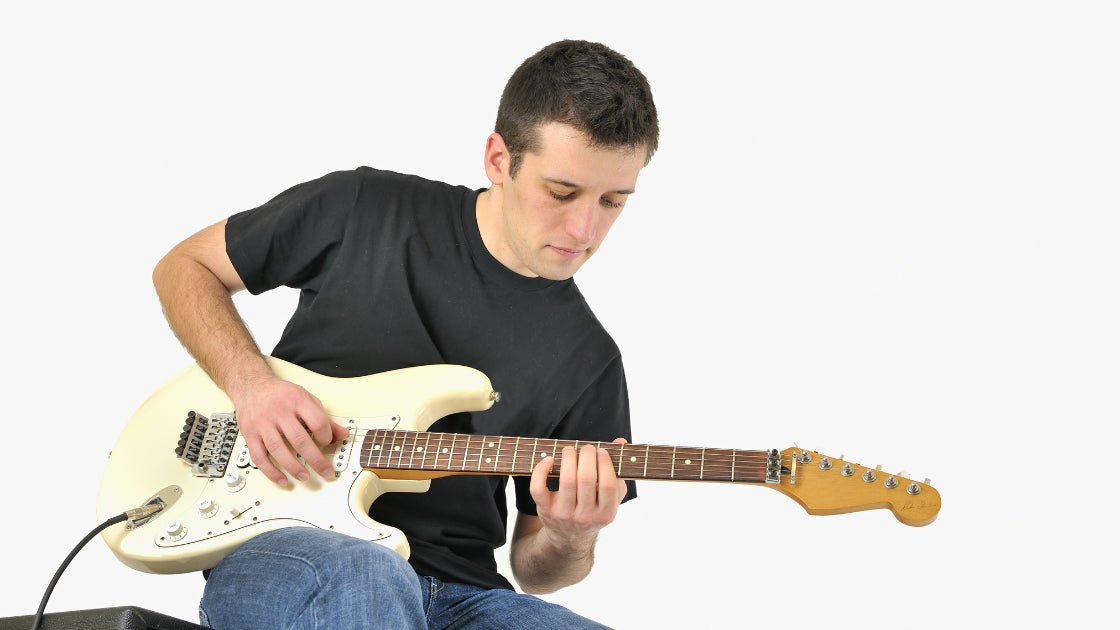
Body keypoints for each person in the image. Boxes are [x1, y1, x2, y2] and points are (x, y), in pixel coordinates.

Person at [152, 39, 659, 630]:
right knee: (370, 576)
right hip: (290, 550)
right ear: (499, 159)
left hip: (465, 596)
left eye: (613, 201)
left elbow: (534, 569)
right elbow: (185, 267)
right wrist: (252, 387)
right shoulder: (365, 207)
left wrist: (571, 536)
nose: (584, 229)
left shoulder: (589, 359)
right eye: (562, 192)